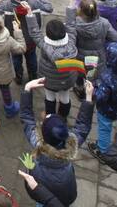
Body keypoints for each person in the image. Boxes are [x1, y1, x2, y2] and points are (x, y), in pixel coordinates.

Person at [19, 78, 95, 206]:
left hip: (42, 190)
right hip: (66, 194)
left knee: (42, 202)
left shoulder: (37, 142)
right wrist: (88, 98)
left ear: (43, 134)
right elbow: (83, 127)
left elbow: (27, 118)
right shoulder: (72, 143)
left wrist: (27, 90)